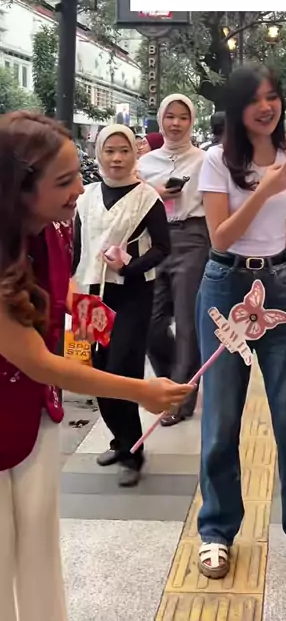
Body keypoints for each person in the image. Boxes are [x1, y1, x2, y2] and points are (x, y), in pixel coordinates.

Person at [0, 112, 193, 621]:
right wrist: (141, 390)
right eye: (64, 181)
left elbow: (60, 286)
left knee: (39, 544)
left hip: (34, 416)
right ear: (20, 189)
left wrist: (81, 308)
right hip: (13, 408)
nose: (79, 190)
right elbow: (39, 362)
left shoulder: (50, 230)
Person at [196, 63, 286, 593]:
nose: (266, 107)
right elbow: (220, 237)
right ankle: (216, 530)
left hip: (277, 288)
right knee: (222, 416)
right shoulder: (215, 161)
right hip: (226, 286)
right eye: (254, 99)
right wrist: (266, 186)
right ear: (236, 107)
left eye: (273, 96)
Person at [73, 124, 172, 487]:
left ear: (135, 154)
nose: (117, 158)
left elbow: (162, 247)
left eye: (124, 150)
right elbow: (77, 249)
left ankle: (133, 451)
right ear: (98, 153)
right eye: (110, 150)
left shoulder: (147, 198)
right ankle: (120, 440)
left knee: (121, 371)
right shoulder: (85, 197)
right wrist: (68, 287)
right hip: (91, 293)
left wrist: (130, 267)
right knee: (95, 370)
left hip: (132, 294)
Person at [138, 94, 210, 426]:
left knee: (186, 323)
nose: (176, 123)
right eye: (170, 116)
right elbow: (132, 201)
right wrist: (155, 193)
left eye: (183, 117)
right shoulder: (145, 163)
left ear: (192, 121)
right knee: (150, 324)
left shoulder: (205, 161)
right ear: (161, 120)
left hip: (193, 237)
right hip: (154, 240)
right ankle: (175, 382)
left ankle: (180, 401)